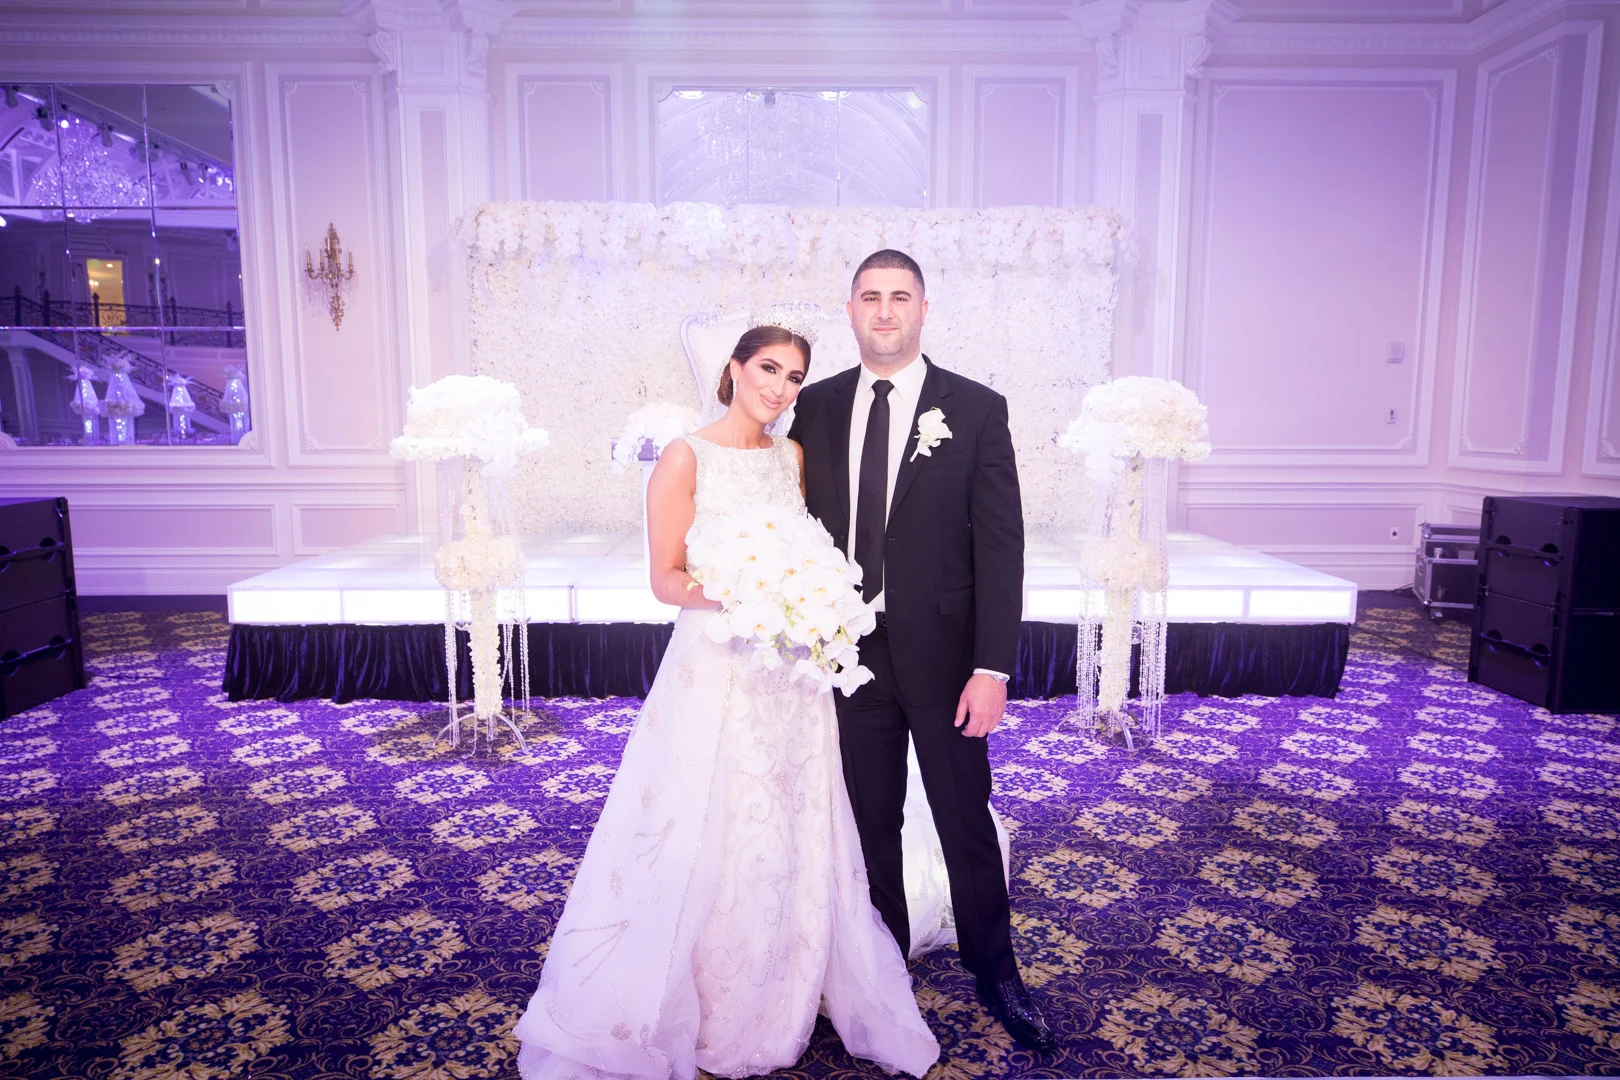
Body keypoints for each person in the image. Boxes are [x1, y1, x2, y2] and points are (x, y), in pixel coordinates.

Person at [514, 319, 940, 1080]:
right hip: (719, 663)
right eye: (768, 369)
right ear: (735, 369)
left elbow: (806, 553)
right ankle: (706, 990)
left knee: (790, 812)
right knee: (711, 813)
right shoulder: (685, 456)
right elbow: (666, 579)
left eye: (794, 377)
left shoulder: (791, 456)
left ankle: (789, 969)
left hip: (791, 675)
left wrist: (805, 599)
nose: (780, 388)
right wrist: (751, 595)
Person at [787, 249, 1056, 1051]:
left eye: (899, 296)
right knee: (868, 818)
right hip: (849, 656)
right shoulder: (817, 406)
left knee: (961, 816)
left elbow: (1001, 547)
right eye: (869, 296)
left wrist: (992, 667)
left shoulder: (974, 409)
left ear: (924, 309)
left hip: (946, 659)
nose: (884, 311)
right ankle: (881, 963)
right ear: (849, 310)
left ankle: (996, 970)